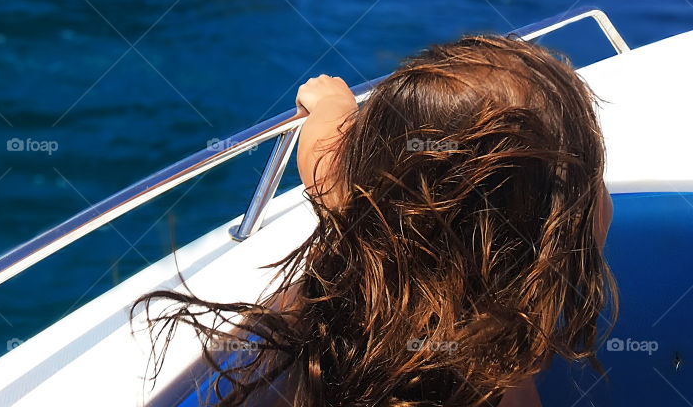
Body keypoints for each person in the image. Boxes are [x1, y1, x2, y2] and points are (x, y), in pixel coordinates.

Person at [134, 34, 618, 406]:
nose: (603, 192)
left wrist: (332, 109)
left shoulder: (362, 232)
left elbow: (326, 165)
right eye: (592, 177)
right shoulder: (497, 364)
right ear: (546, 243)